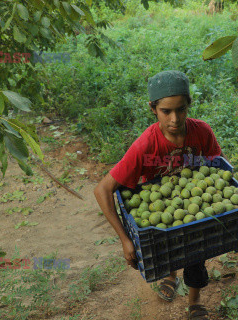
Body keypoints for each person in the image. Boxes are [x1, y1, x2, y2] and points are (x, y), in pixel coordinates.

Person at [93, 70, 226, 320]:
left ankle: (194, 300)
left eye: (181, 109)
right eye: (166, 111)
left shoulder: (202, 132)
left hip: (192, 211)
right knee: (166, 251)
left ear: (189, 106)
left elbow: (217, 166)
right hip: (158, 213)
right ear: (153, 109)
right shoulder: (146, 145)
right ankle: (170, 274)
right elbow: (102, 189)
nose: (175, 118)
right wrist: (124, 238)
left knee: (196, 255)